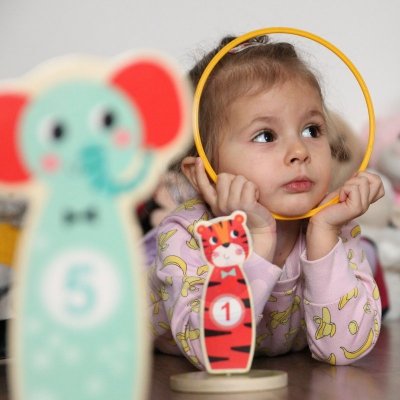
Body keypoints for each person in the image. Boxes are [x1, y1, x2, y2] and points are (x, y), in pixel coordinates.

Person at [142, 35, 384, 367]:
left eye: (312, 130)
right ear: (204, 172)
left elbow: (343, 349)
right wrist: (257, 239)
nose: (299, 151)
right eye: (265, 136)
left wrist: (324, 236)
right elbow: (216, 352)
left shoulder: (333, 227)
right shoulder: (186, 236)